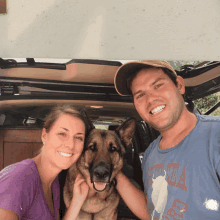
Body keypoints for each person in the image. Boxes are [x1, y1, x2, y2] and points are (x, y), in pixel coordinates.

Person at [114, 60, 220, 220]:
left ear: (179, 85)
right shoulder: (150, 154)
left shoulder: (215, 135)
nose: (150, 99)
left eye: (158, 86)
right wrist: (112, 171)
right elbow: (155, 211)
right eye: (140, 94)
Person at [0, 104, 92, 220]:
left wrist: (77, 201)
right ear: (44, 135)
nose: (71, 145)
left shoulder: (53, 184)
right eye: (62, 134)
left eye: (78, 138)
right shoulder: (18, 178)